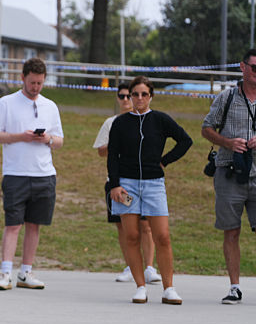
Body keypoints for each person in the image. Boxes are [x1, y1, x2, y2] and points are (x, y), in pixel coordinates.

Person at [107, 76, 192, 304]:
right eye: (135, 94)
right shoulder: (120, 123)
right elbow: (112, 155)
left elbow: (185, 141)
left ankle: (169, 288)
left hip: (154, 184)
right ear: (130, 96)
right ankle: (140, 286)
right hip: (127, 184)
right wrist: (115, 184)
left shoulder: (160, 120)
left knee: (162, 236)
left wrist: (164, 161)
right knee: (132, 236)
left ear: (151, 96)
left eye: (144, 94)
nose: (139, 98)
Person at [0, 56, 64, 291]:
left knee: (34, 224)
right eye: (32, 82)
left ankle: (26, 272)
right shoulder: (6, 103)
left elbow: (59, 141)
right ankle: (5, 272)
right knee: (13, 224)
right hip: (15, 173)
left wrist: (47, 138)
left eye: (39, 83)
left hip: (44, 174)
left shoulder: (50, 106)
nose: (35, 87)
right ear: (22, 78)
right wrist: (21, 136)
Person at [201, 49, 256, 305]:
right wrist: (227, 142)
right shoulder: (227, 96)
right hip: (230, 171)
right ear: (243, 68)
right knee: (231, 231)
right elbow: (206, 128)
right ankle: (234, 287)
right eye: (254, 67)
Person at [93, 82, 160, 285]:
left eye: (128, 96)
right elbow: (101, 151)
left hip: (142, 182)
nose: (126, 100)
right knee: (124, 227)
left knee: (146, 226)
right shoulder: (111, 122)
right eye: (122, 96)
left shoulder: (147, 120)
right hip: (118, 183)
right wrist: (116, 143)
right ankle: (131, 266)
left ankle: (149, 267)